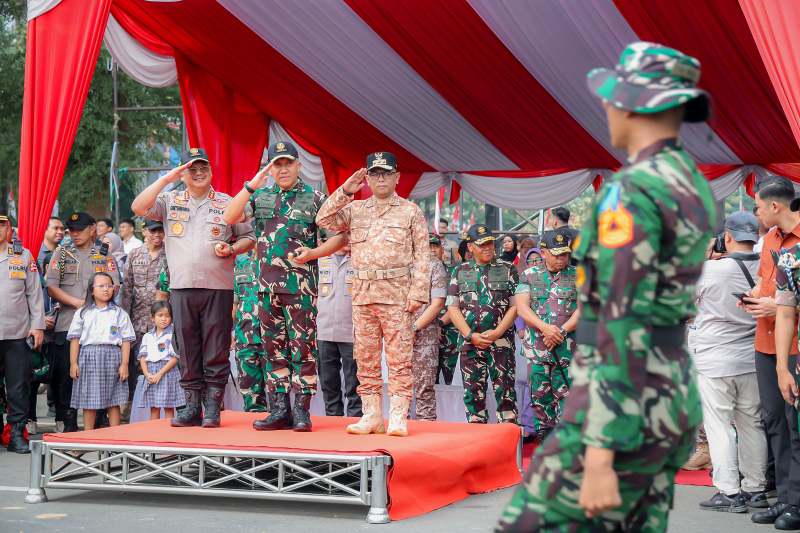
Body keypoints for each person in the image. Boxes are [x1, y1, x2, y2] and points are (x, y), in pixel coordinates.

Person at [498, 42, 716, 531]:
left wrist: (598, 451)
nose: (607, 106)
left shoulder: (635, 190)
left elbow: (622, 319)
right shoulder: (686, 180)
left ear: (634, 103)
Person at [224, 141, 343, 432]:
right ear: (271, 168)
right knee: (272, 350)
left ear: (298, 165)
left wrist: (314, 254)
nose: (283, 169)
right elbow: (229, 216)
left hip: (300, 287)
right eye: (277, 164)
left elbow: (340, 237)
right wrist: (251, 186)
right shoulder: (261, 195)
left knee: (302, 349)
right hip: (266, 287)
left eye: (288, 163)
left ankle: (302, 411)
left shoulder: (315, 198)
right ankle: (279, 410)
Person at [132, 148, 255, 428]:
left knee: (216, 349)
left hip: (218, 288)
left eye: (203, 168)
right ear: (183, 173)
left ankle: (212, 406)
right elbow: (139, 207)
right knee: (186, 348)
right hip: (182, 287)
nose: (199, 173)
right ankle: (190, 406)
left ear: (211, 172)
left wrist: (233, 247)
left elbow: (248, 237)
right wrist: (166, 179)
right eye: (192, 169)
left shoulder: (227, 203)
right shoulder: (170, 200)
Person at [316, 151, 430, 437]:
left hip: (397, 297)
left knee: (399, 359)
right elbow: (324, 219)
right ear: (367, 177)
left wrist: (418, 292)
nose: (381, 178)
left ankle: (399, 416)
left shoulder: (410, 211)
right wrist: (346, 190)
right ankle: (371, 416)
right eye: (375, 174)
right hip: (363, 295)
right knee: (365, 360)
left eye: (386, 173)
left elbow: (423, 256)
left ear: (397, 177)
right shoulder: (356, 209)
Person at [688, 212, 768, 512]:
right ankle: (756, 489)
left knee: (719, 426)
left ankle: (729, 492)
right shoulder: (766, 265)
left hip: (715, 359)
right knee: (752, 424)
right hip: (752, 356)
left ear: (728, 238)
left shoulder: (711, 270)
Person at [745, 176, 800, 527]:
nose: (757, 213)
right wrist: (756, 299)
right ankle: (785, 496)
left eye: (758, 206)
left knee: (795, 427)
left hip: (793, 345)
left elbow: (789, 301)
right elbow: (767, 281)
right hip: (767, 343)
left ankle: (796, 499)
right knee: (775, 422)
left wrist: (778, 307)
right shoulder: (768, 240)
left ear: (775, 206)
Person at [47, 212, 121, 432]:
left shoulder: (104, 255)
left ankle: (99, 426)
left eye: (79, 229)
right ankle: (68, 425)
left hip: (99, 328)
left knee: (99, 377)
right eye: (71, 229)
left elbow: (115, 285)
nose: (74, 233)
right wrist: (79, 303)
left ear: (93, 229)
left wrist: (96, 301)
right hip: (68, 324)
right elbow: (51, 285)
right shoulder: (61, 253)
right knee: (66, 377)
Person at [447, 224, 518, 424]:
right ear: (470, 247)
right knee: (473, 397)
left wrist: (497, 333)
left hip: (501, 343)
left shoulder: (508, 269)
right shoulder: (459, 271)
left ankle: (509, 445)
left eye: (490, 243)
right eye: (482, 244)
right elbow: (453, 308)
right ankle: (477, 443)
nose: (488, 248)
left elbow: (515, 306)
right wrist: (470, 335)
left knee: (506, 394)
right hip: (471, 344)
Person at [516, 230, 579, 442]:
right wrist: (546, 328)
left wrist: (560, 331)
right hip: (538, 348)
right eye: (557, 254)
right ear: (543, 252)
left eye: (565, 254)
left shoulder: (578, 275)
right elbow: (522, 308)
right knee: (540, 396)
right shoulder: (529, 275)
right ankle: (545, 434)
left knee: (568, 396)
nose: (562, 258)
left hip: (567, 348)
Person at [67, 272, 135, 430]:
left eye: (109, 286)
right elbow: (75, 339)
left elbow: (126, 340)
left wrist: (124, 364)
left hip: (112, 357)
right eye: (101, 286)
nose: (106, 289)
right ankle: (87, 437)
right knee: (88, 400)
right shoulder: (83, 312)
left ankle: (115, 439)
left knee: (113, 399)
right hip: (88, 357)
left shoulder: (119, 313)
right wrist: (73, 363)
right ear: (92, 290)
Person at [0, 212, 44, 452]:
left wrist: (37, 326)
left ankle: (16, 432)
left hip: (16, 333)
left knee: (18, 387)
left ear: (9, 229)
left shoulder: (22, 255)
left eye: (2, 225)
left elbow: (34, 294)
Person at [121, 220, 167, 415]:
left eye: (160, 231)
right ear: (144, 231)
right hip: (138, 320)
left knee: (164, 363)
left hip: (163, 320)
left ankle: (162, 407)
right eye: (153, 231)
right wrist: (124, 319)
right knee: (139, 363)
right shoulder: (134, 254)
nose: (157, 235)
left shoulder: (170, 254)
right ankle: (136, 406)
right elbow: (127, 288)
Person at [317, 233, 361, 417]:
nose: (347, 240)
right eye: (342, 236)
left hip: (352, 332)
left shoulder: (361, 261)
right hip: (323, 331)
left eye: (351, 235)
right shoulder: (319, 260)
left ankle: (356, 418)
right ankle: (332, 418)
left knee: (355, 383)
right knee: (328, 382)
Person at [410, 234, 448, 421]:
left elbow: (438, 303)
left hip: (424, 336)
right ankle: (398, 430)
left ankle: (426, 434)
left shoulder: (434, 265)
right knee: (399, 390)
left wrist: (414, 327)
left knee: (424, 389)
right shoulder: (396, 261)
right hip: (398, 335)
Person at [233, 249, 267, 413]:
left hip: (273, 336)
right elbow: (234, 301)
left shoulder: (276, 259)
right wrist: (228, 331)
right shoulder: (240, 262)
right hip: (244, 334)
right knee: (249, 389)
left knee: (278, 388)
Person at [135, 301, 183, 420]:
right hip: (151, 373)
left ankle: (168, 433)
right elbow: (143, 356)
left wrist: (160, 373)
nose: (164, 319)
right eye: (160, 315)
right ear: (153, 318)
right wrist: (146, 374)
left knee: (168, 406)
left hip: (168, 373)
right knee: (154, 407)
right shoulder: (147, 336)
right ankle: (154, 433)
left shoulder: (173, 334)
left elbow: (175, 357)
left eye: (167, 316)